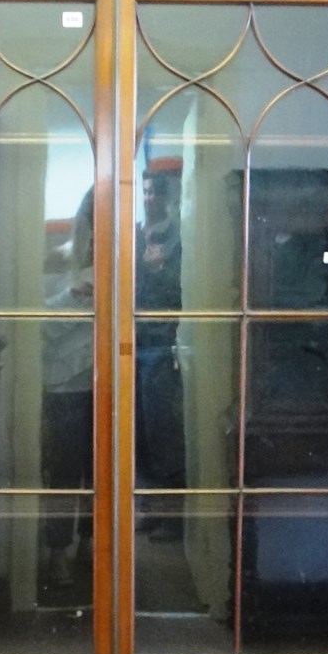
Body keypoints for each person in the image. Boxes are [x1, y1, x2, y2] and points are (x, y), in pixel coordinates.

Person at [41, 188, 94, 587]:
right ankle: (57, 553)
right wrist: (74, 298)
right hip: (64, 387)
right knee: (61, 474)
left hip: (110, 384)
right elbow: (36, 326)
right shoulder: (57, 257)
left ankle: (91, 547)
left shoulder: (125, 261)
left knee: (102, 474)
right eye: (96, 217)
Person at [135, 168, 186, 542]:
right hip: (132, 344)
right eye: (146, 190)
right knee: (140, 433)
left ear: (166, 197)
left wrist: (161, 267)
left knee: (164, 431)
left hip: (163, 344)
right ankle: (151, 509)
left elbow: (184, 290)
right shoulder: (135, 233)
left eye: (155, 191)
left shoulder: (178, 238)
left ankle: (172, 517)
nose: (150, 197)